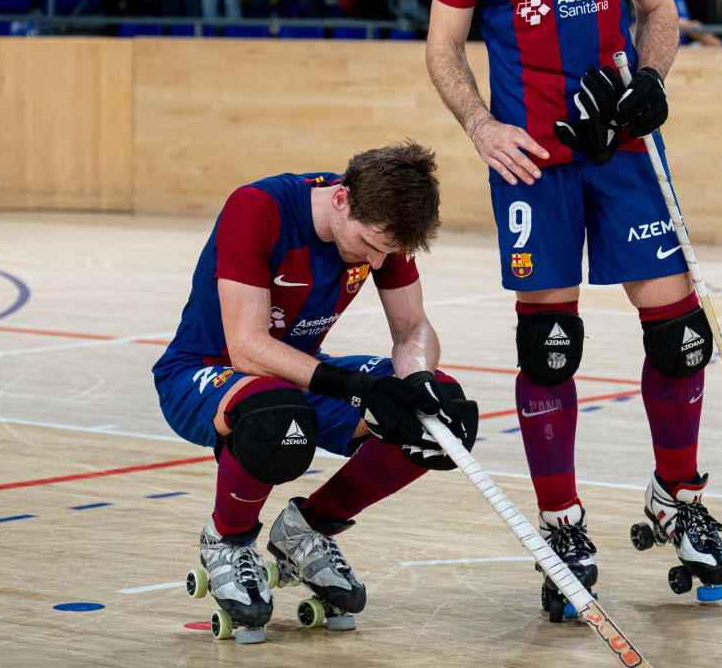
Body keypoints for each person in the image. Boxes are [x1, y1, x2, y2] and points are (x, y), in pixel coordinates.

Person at [426, 0, 722, 619]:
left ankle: (681, 494)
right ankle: (562, 524)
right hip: (535, 164)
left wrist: (651, 83)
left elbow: (659, 14)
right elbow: (443, 48)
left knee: (679, 338)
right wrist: (483, 127)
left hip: (624, 154)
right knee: (548, 348)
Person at [151, 143, 478, 642]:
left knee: (441, 415)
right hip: (205, 372)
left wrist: (418, 383)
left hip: (297, 376)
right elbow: (247, 348)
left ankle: (307, 530)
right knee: (277, 414)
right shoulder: (259, 208)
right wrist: (354, 387)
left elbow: (412, 330)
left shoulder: (383, 225)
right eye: (369, 245)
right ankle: (228, 540)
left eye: (386, 253)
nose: (375, 260)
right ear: (341, 199)